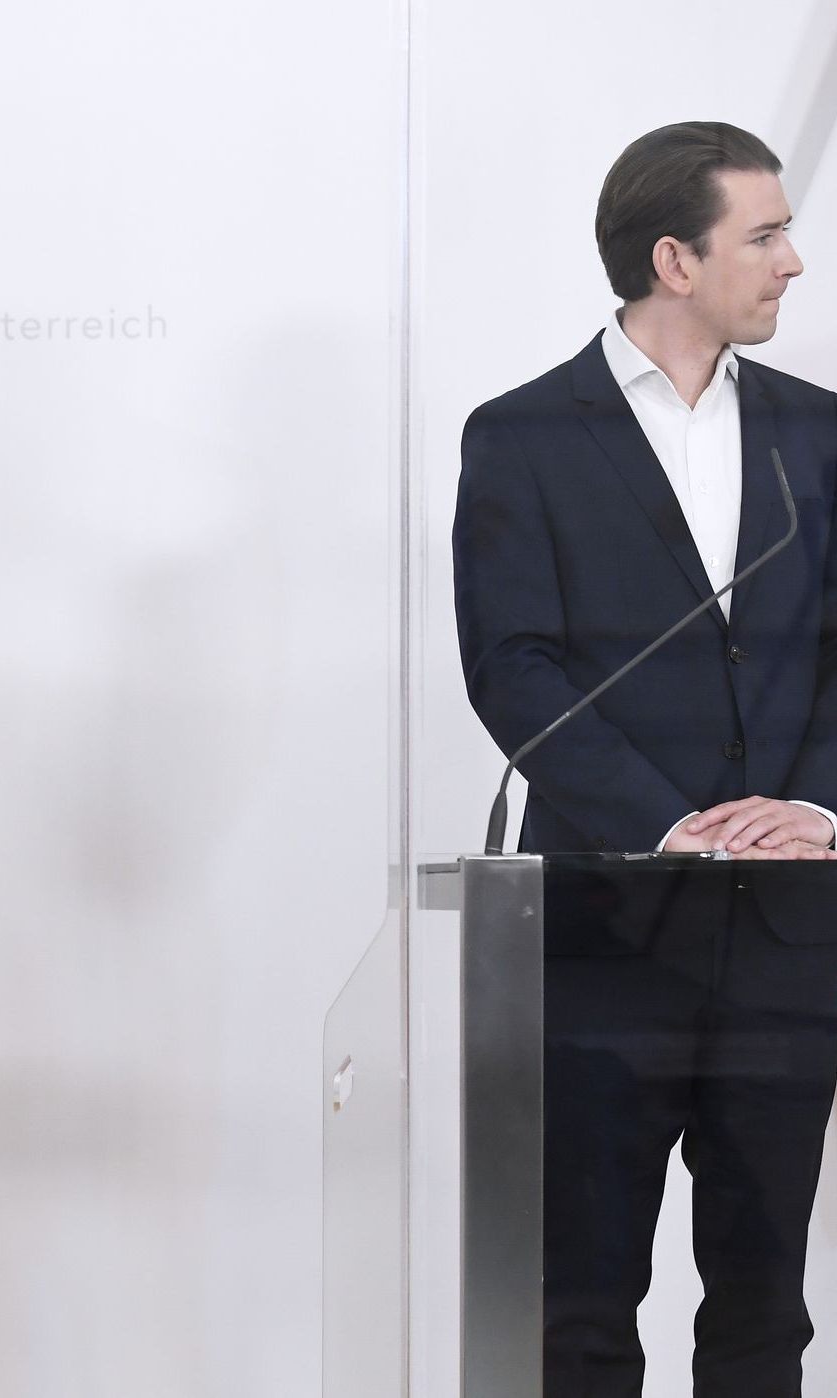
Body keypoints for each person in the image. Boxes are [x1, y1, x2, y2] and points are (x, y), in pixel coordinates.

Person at [455, 121, 837, 1395]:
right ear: (675, 260)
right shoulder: (521, 435)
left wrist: (814, 804)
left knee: (765, 1315)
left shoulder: (819, 434)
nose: (792, 262)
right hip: (604, 934)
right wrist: (672, 824)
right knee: (576, 1312)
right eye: (764, 236)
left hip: (787, 940)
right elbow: (513, 668)